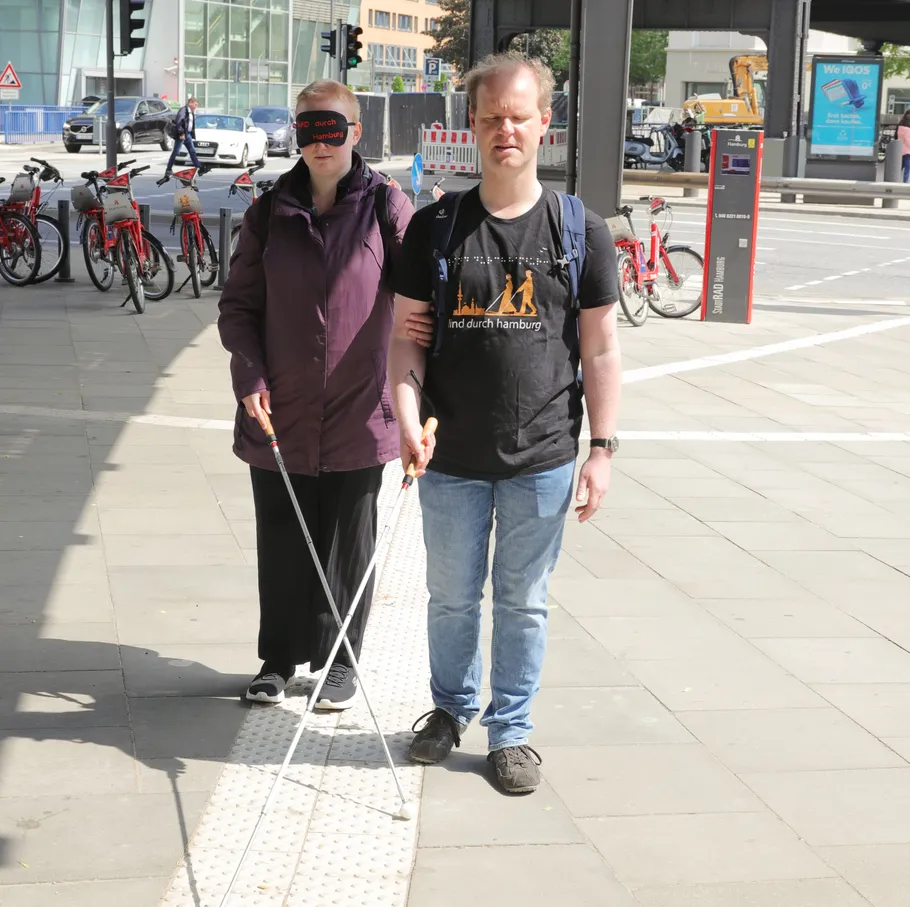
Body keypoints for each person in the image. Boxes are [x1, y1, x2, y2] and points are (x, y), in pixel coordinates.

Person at [388, 53, 623, 794]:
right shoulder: (434, 228)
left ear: (544, 123)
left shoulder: (578, 229)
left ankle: (512, 730)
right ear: (473, 126)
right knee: (452, 593)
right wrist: (405, 418)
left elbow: (600, 347)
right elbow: (405, 340)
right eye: (491, 116)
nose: (505, 129)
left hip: (544, 456)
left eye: (519, 115)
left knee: (522, 599)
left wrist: (603, 449)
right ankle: (450, 708)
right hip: (450, 455)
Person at [217, 79, 417, 708]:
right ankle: (277, 658)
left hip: (362, 411)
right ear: (295, 135)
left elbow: (419, 304)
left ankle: (339, 662)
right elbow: (238, 308)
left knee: (347, 541)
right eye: (308, 129)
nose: (320, 142)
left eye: (332, 128)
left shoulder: (387, 206)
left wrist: (420, 396)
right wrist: (249, 377)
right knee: (281, 538)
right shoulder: (268, 210)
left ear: (356, 133)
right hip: (280, 410)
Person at [165, 96, 201, 175]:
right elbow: (179, 122)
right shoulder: (183, 110)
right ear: (190, 103)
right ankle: (168, 169)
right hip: (182, 134)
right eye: (195, 105)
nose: (196, 107)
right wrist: (181, 133)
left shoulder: (191, 112)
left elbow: (190, 124)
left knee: (192, 151)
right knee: (176, 151)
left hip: (187, 134)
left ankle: (198, 167)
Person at [898, 110, 910, 183]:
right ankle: (905, 181)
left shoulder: (900, 128)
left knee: (900, 166)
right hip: (907, 151)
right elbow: (908, 140)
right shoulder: (908, 130)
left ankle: (894, 178)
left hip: (901, 150)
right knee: (907, 167)